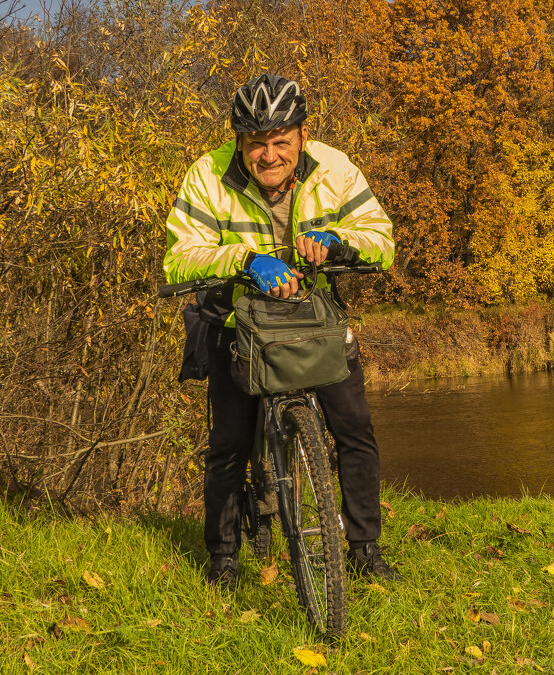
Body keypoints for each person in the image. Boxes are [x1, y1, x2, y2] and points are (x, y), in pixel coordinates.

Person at [163, 73, 398, 590]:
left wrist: (337, 240)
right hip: (239, 322)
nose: (269, 156)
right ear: (239, 140)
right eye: (256, 144)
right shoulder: (208, 174)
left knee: (355, 432)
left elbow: (382, 241)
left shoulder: (335, 168)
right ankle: (222, 558)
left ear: (303, 136)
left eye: (281, 142)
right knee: (227, 445)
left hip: (316, 320)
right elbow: (179, 260)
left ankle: (364, 549)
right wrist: (248, 260)